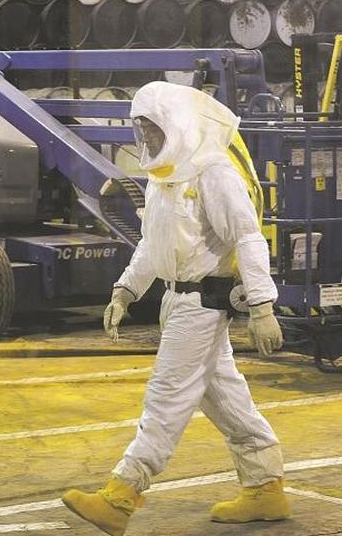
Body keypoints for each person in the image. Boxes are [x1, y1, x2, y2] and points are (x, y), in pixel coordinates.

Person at [61, 81, 289, 536]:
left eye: (152, 129)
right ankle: (266, 488)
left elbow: (247, 236)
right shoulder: (165, 175)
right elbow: (153, 244)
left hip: (202, 305)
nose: (145, 140)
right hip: (176, 300)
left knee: (166, 397)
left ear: (177, 124)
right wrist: (126, 290)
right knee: (226, 398)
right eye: (140, 130)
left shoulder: (213, 172)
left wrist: (263, 307)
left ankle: (120, 496)